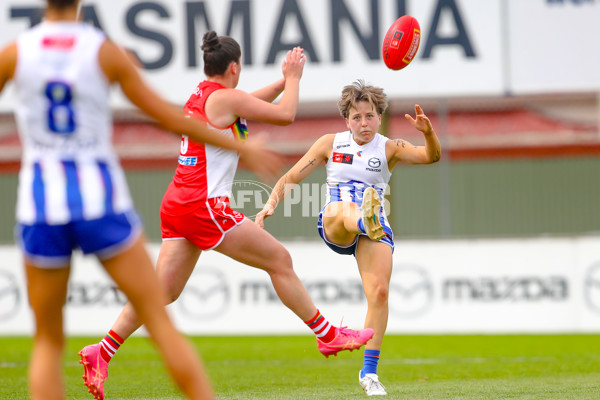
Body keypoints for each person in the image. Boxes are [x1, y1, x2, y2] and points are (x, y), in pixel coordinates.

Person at [0, 1, 284, 399]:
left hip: (41, 203)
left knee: (47, 341)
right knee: (158, 317)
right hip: (99, 200)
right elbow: (167, 118)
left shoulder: (14, 53)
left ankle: (98, 354)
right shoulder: (103, 50)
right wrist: (243, 148)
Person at [79, 30, 374, 398]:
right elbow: (285, 114)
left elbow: (250, 101)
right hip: (204, 206)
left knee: (162, 292)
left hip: (178, 202)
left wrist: (284, 79)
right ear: (234, 67)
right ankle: (327, 335)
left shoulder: (204, 95)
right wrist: (294, 80)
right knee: (280, 260)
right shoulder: (225, 98)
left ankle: (101, 351)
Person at [255, 80, 441, 396]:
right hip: (336, 222)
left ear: (379, 117)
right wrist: (269, 205)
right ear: (347, 120)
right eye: (357, 117)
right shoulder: (331, 143)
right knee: (343, 208)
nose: (364, 123)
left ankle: (369, 374)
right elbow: (291, 177)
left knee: (380, 292)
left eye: (369, 116)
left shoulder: (390, 147)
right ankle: (363, 220)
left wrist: (427, 132)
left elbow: (431, 156)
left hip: (374, 229)